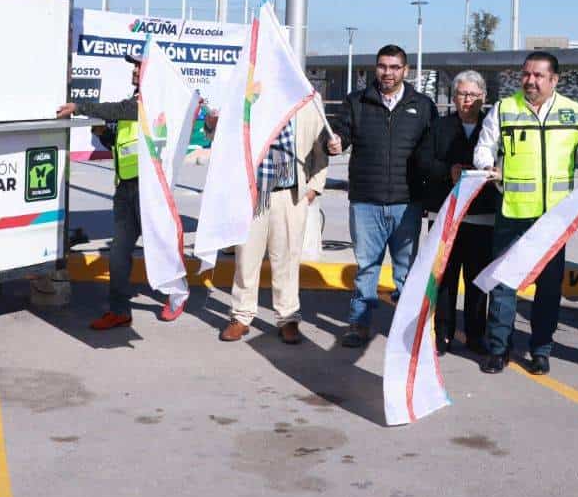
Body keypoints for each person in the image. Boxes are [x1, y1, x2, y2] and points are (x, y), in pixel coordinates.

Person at [474, 53, 578, 375]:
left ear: (554, 80)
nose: (530, 81)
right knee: (503, 286)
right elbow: (484, 147)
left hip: (555, 220)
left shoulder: (573, 113)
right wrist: (486, 164)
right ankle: (499, 349)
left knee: (548, 289)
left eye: (538, 76)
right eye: (526, 75)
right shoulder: (504, 109)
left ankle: (541, 350)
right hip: (512, 213)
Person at [55, 57, 187, 329]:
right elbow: (121, 142)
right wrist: (104, 134)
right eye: (134, 66)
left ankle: (177, 293)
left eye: (140, 66)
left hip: (149, 190)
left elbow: (120, 110)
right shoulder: (134, 100)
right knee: (118, 252)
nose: (134, 70)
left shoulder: (150, 102)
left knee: (161, 246)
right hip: (125, 187)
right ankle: (119, 310)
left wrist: (80, 106)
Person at [327, 45, 438, 348]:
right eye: (382, 66)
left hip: (408, 202)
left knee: (406, 270)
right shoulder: (357, 101)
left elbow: (433, 151)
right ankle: (359, 323)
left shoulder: (424, 106)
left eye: (394, 67)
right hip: (366, 201)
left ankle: (406, 328)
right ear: (375, 68)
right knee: (367, 267)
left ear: (406, 70)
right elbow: (341, 135)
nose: (387, 73)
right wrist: (334, 144)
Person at [213, 102, 328, 344]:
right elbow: (221, 138)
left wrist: (315, 187)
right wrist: (212, 123)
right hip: (252, 193)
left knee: (287, 259)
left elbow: (322, 147)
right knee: (246, 258)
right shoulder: (249, 99)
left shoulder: (305, 101)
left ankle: (288, 318)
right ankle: (241, 316)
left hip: (290, 194)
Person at [413, 70, 501, 356]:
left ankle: (476, 335)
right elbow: (422, 161)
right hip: (446, 216)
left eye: (474, 95)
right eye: (462, 94)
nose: (468, 100)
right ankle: (443, 334)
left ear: (484, 97)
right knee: (445, 280)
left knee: (478, 281)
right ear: (454, 97)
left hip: (483, 217)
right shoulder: (440, 127)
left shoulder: (495, 126)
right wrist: (446, 171)